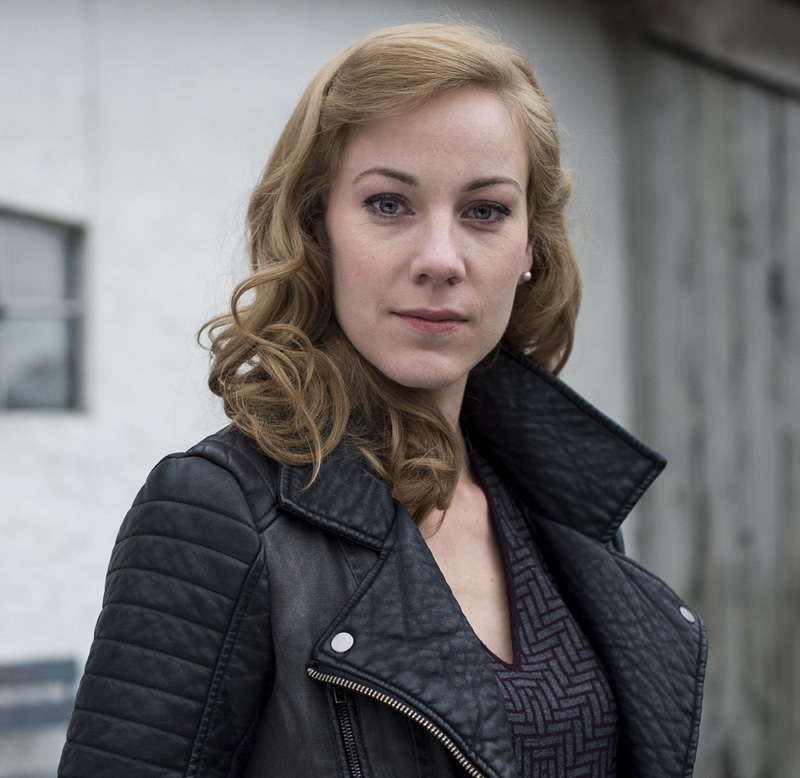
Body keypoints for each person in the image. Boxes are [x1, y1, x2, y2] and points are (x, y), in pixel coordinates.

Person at [58, 22, 706, 778]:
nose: (440, 260)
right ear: (317, 229)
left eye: (485, 211)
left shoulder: (555, 503)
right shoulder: (219, 512)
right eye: (390, 204)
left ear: (531, 246)